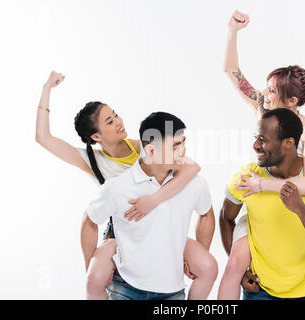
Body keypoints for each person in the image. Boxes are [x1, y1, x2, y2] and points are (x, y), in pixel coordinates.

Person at [35, 72, 217, 299]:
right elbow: (43, 138)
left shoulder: (145, 147)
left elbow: (192, 168)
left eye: (116, 115)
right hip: (120, 231)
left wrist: (153, 201)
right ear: (96, 136)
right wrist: (46, 89)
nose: (119, 122)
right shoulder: (94, 162)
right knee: (94, 278)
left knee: (207, 266)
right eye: (109, 121)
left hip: (157, 224)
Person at [218, 10, 305, 299]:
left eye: (272, 90)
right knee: (236, 262)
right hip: (259, 205)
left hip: (287, 201)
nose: (265, 92)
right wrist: (232, 32)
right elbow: (231, 71)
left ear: (291, 101)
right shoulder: (263, 107)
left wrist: (262, 186)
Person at [81, 111, 216, 300]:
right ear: (152, 151)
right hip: (126, 287)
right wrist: (90, 267)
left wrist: (196, 256)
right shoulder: (118, 187)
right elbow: (90, 220)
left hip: (172, 291)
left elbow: (206, 214)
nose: (183, 151)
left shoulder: (195, 183)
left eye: (183, 142)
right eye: (176, 146)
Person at [220, 108, 305, 300]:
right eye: (255, 137)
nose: (255, 145)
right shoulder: (246, 178)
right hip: (259, 291)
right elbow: (226, 217)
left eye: (263, 139)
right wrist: (240, 271)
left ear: (288, 143)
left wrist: (300, 209)